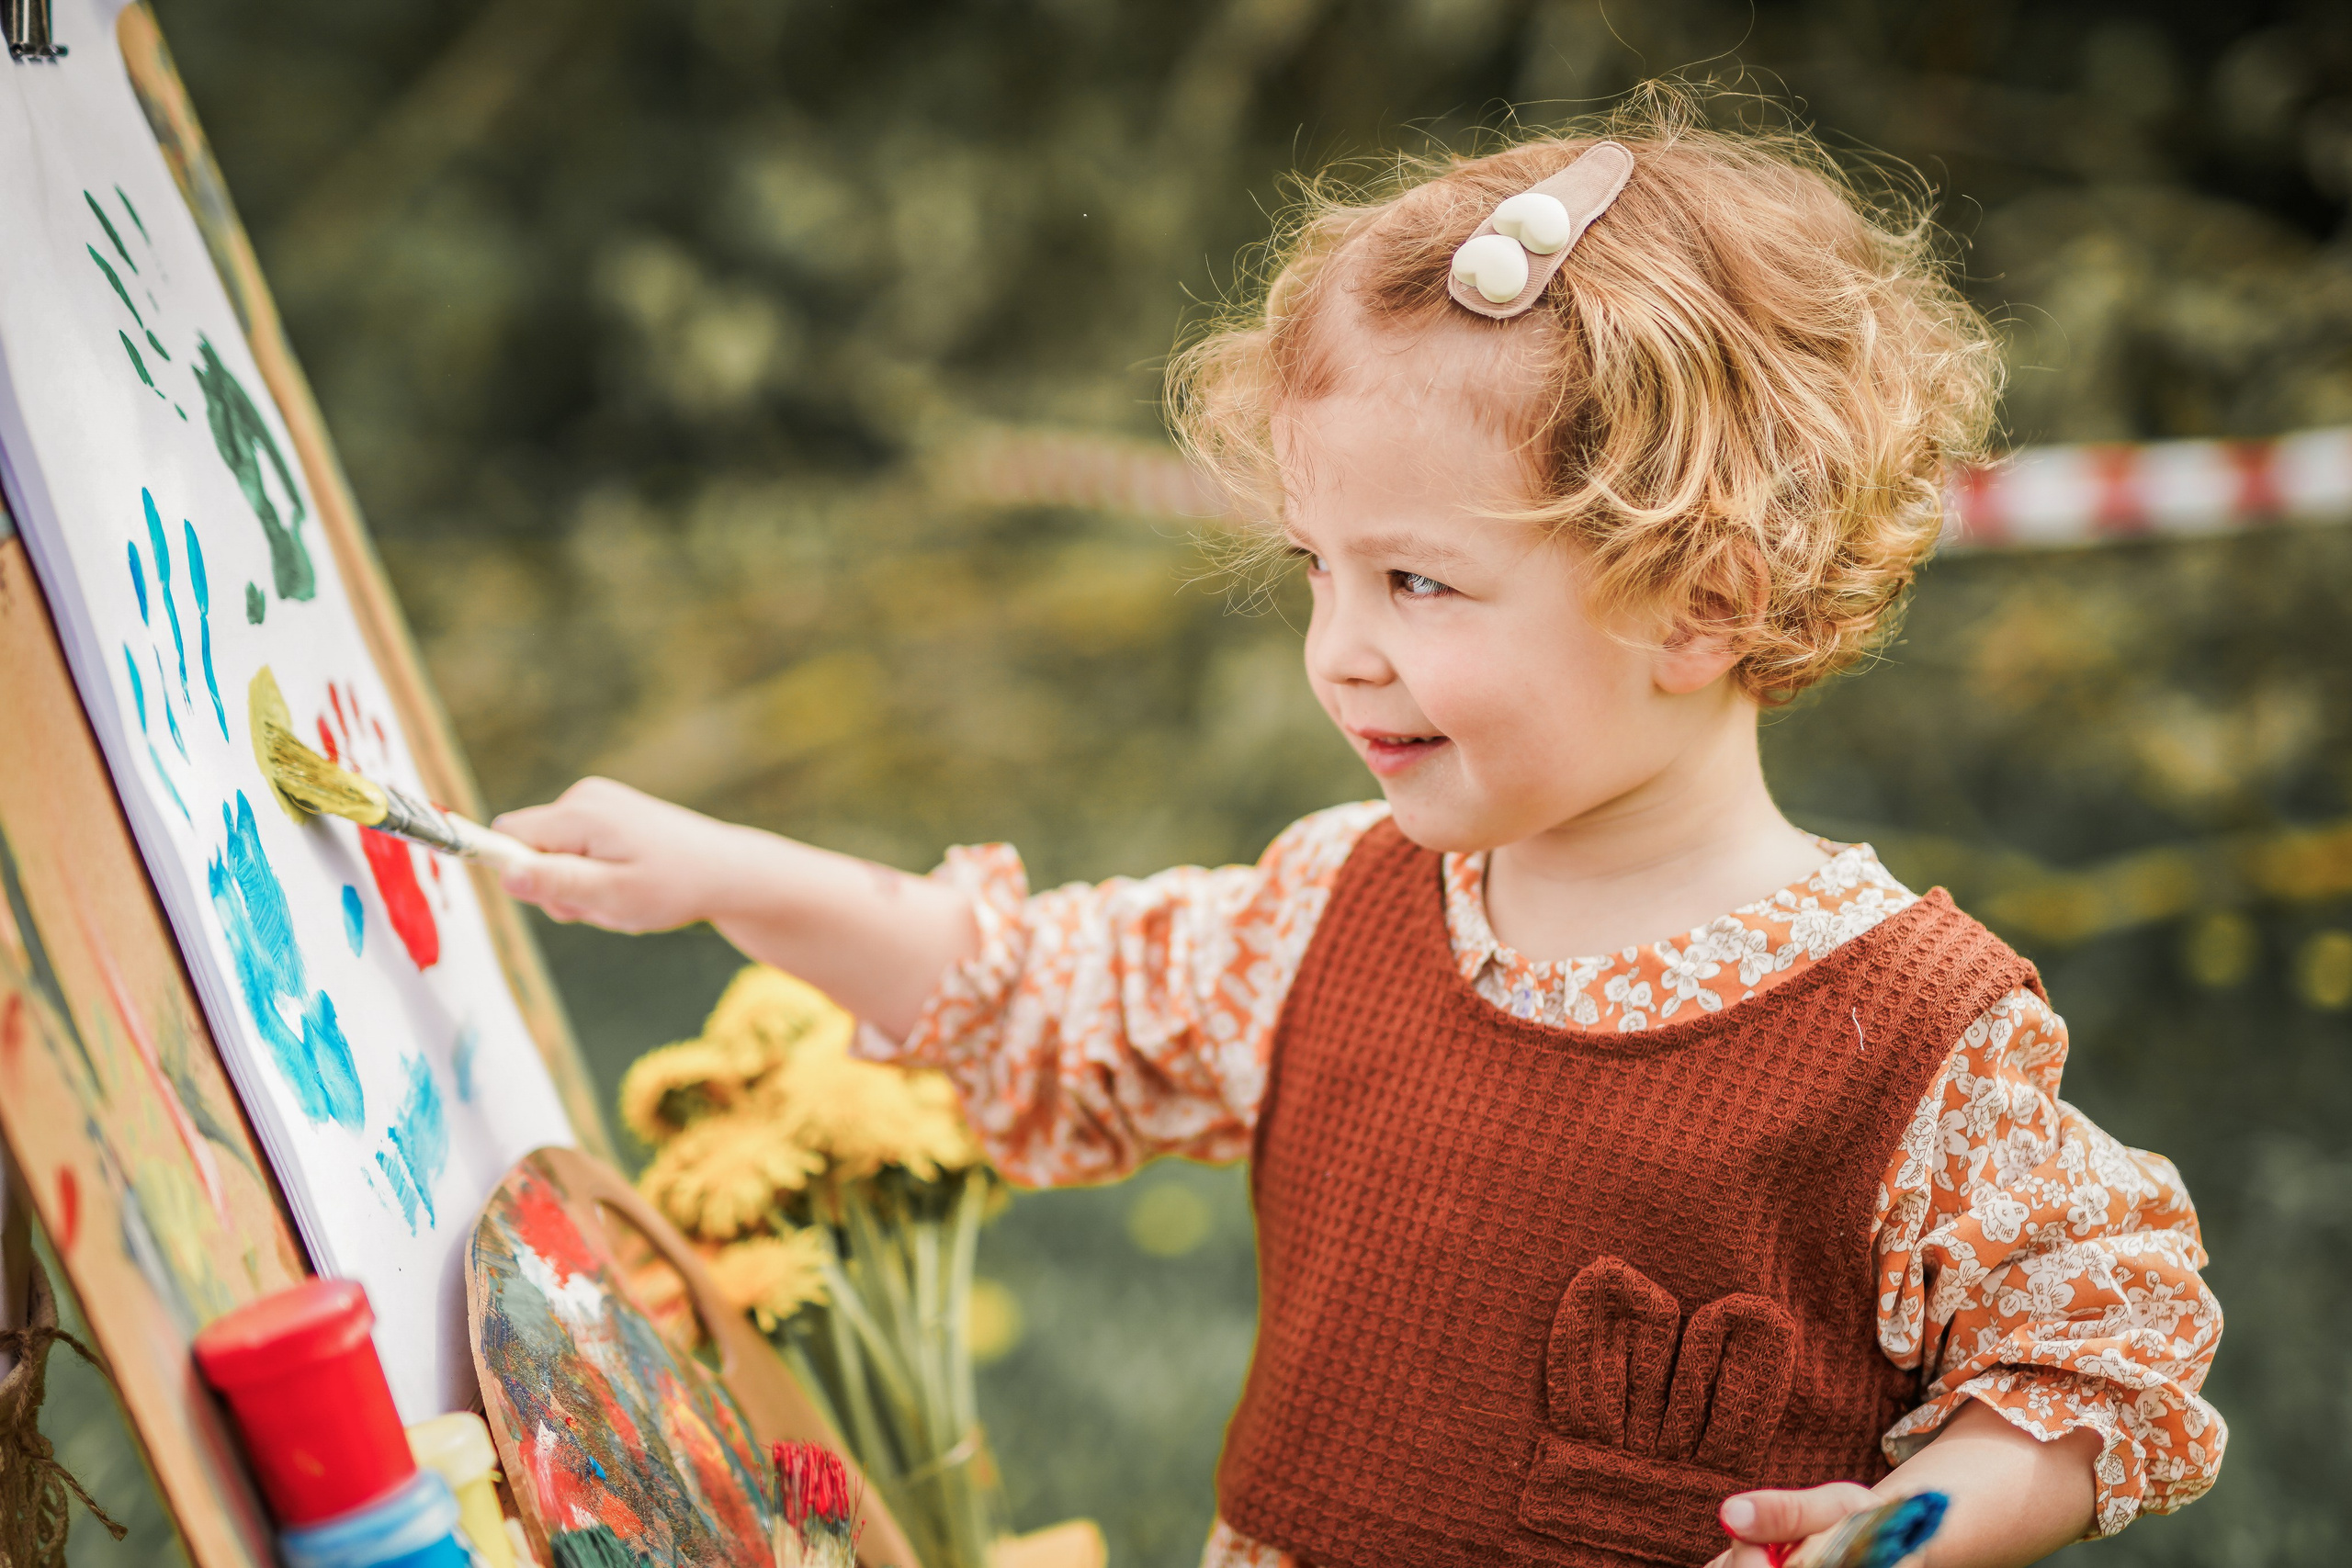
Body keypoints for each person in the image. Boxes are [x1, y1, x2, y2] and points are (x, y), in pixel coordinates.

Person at [492, 99, 2223, 1568]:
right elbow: (1032, 987)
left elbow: (2105, 1358)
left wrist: (1918, 1519)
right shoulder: (1340, 907)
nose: (1341, 648)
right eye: (1318, 568)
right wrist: (723, 869)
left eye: (1419, 581)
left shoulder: (1909, 1042)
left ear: (1701, 607)